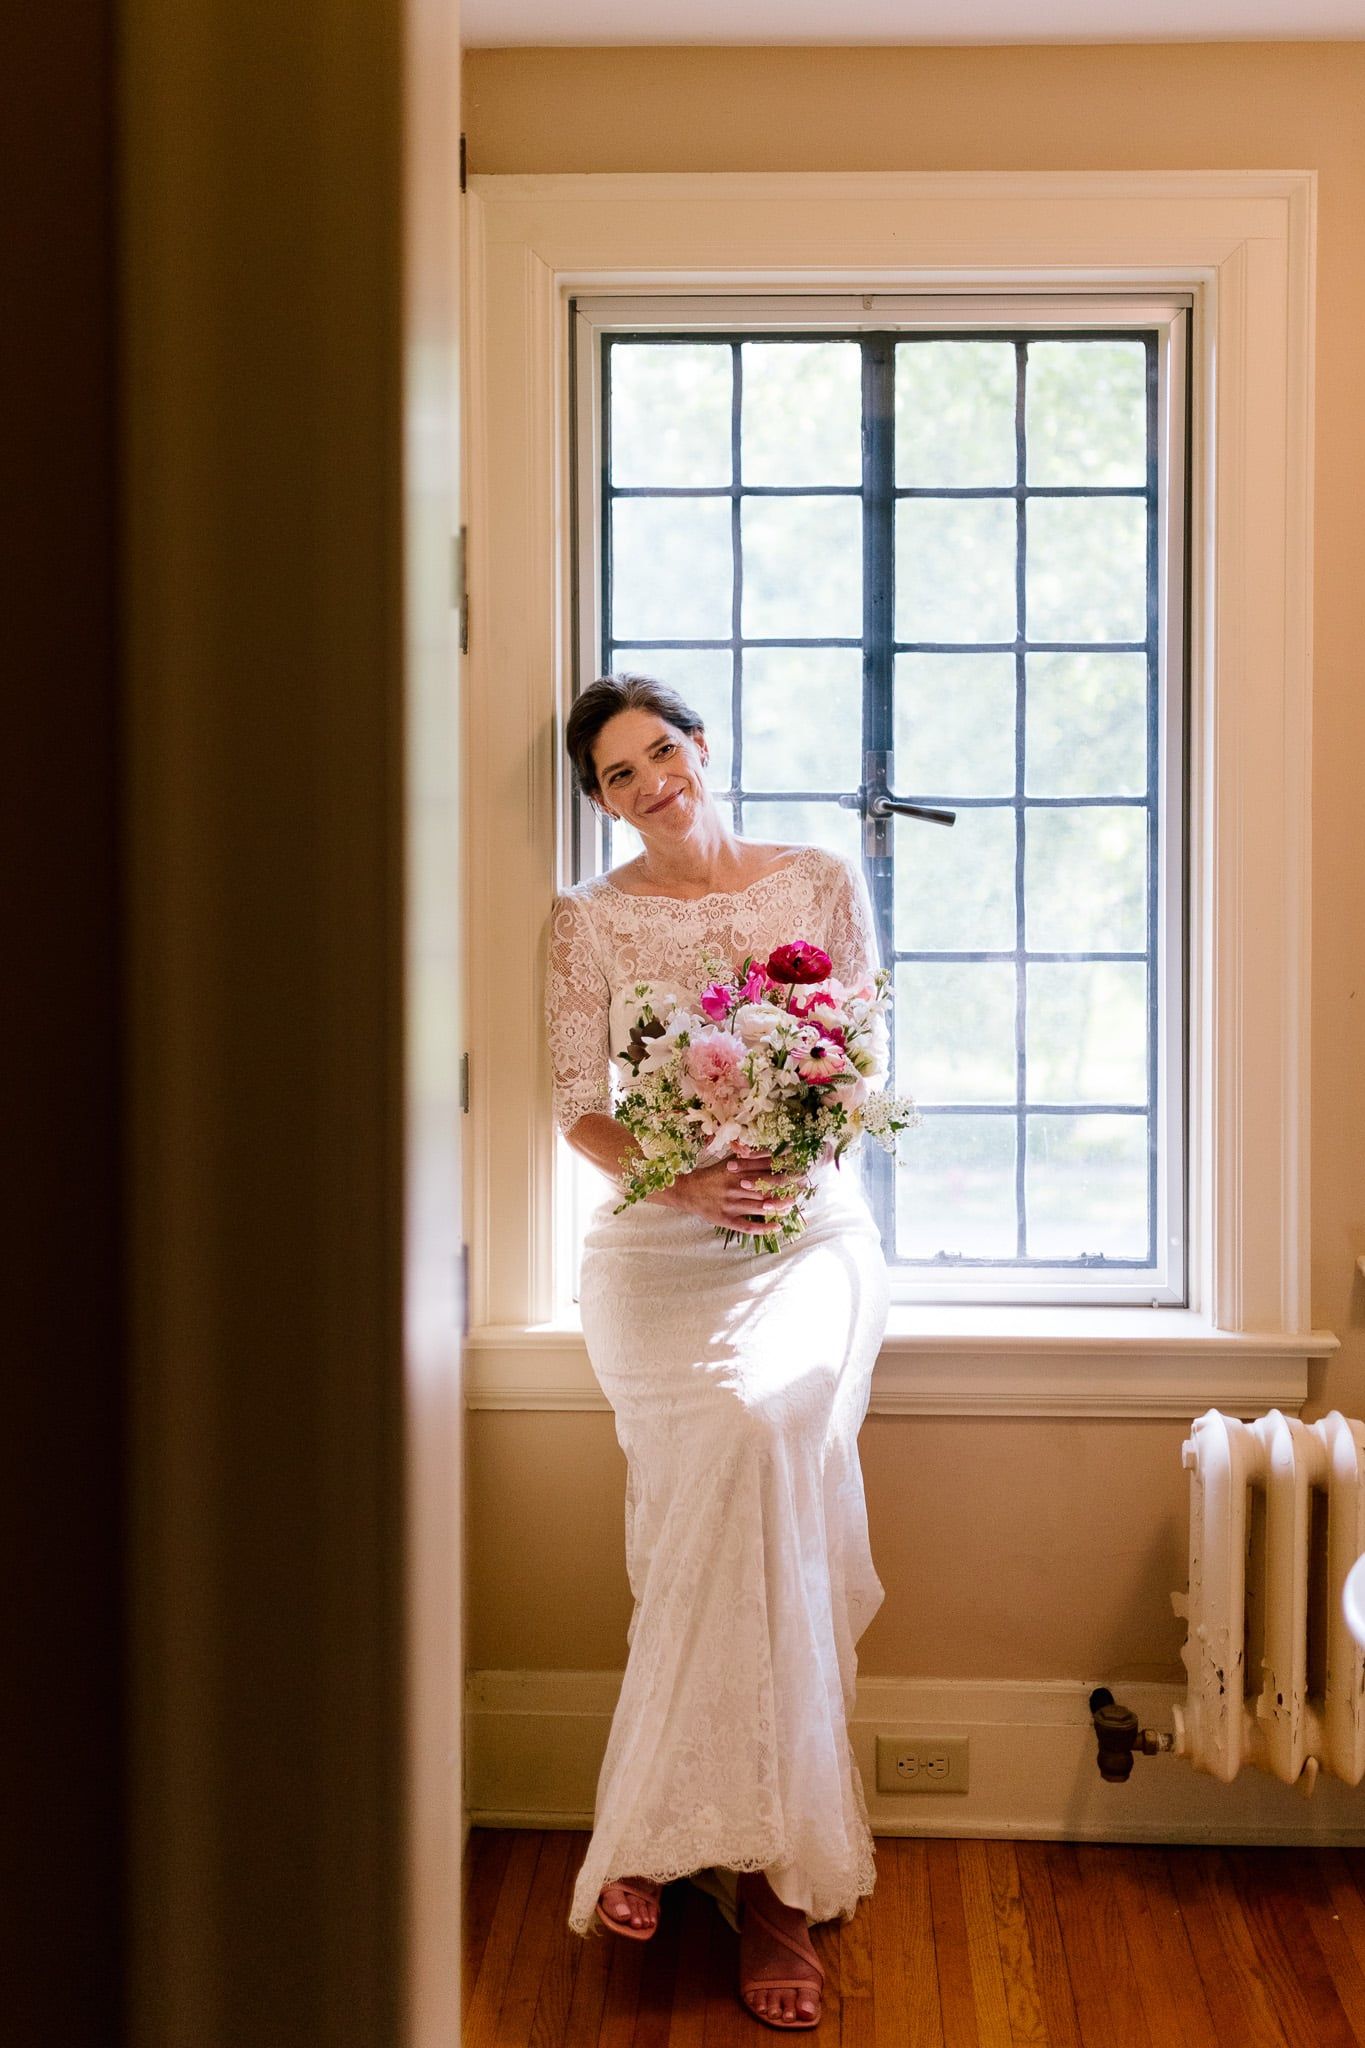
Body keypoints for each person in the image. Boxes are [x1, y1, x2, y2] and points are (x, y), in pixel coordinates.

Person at [544, 672, 890, 2032]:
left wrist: (789, 1151)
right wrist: (681, 1179)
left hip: (807, 1238)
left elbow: (859, 1059)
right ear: (599, 802)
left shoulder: (811, 880)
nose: (649, 785)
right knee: (709, 1499)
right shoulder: (583, 923)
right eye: (618, 776)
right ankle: (715, 1846)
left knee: (758, 1440)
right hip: (654, 1250)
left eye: (661, 753)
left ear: (704, 749)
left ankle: (762, 1881)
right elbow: (580, 1109)